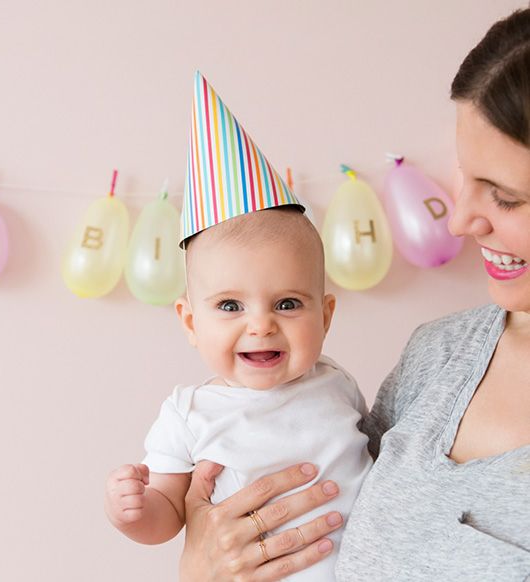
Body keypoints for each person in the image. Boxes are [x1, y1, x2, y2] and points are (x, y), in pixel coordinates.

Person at [178, 8, 530, 581]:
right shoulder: (439, 355)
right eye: (466, 178)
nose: (461, 220)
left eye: (506, 197)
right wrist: (204, 566)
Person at [104, 73, 373, 581]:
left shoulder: (337, 384)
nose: (261, 325)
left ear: (326, 316)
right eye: (230, 306)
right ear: (189, 320)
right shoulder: (189, 414)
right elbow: (170, 513)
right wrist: (134, 512)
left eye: (288, 303)